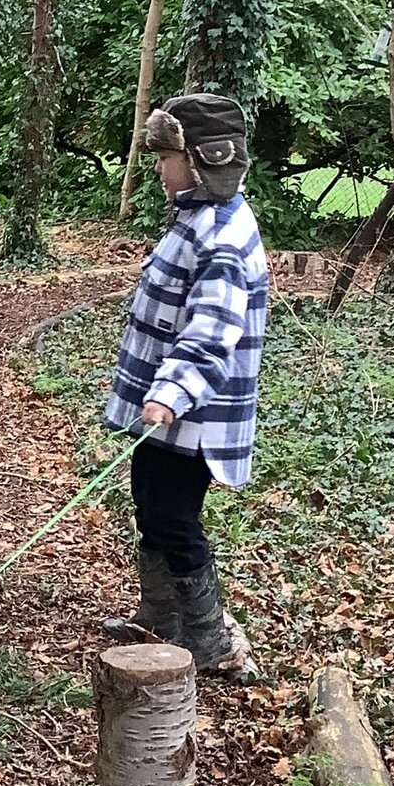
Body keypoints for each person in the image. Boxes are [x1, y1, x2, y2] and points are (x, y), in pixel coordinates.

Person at [102, 93, 268, 672]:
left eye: (166, 156)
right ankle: (159, 618)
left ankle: (211, 642)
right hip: (167, 412)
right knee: (150, 505)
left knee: (175, 517)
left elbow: (214, 327)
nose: (157, 166)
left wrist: (171, 393)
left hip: (192, 416)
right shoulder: (194, 217)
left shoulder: (220, 235)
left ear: (200, 160)